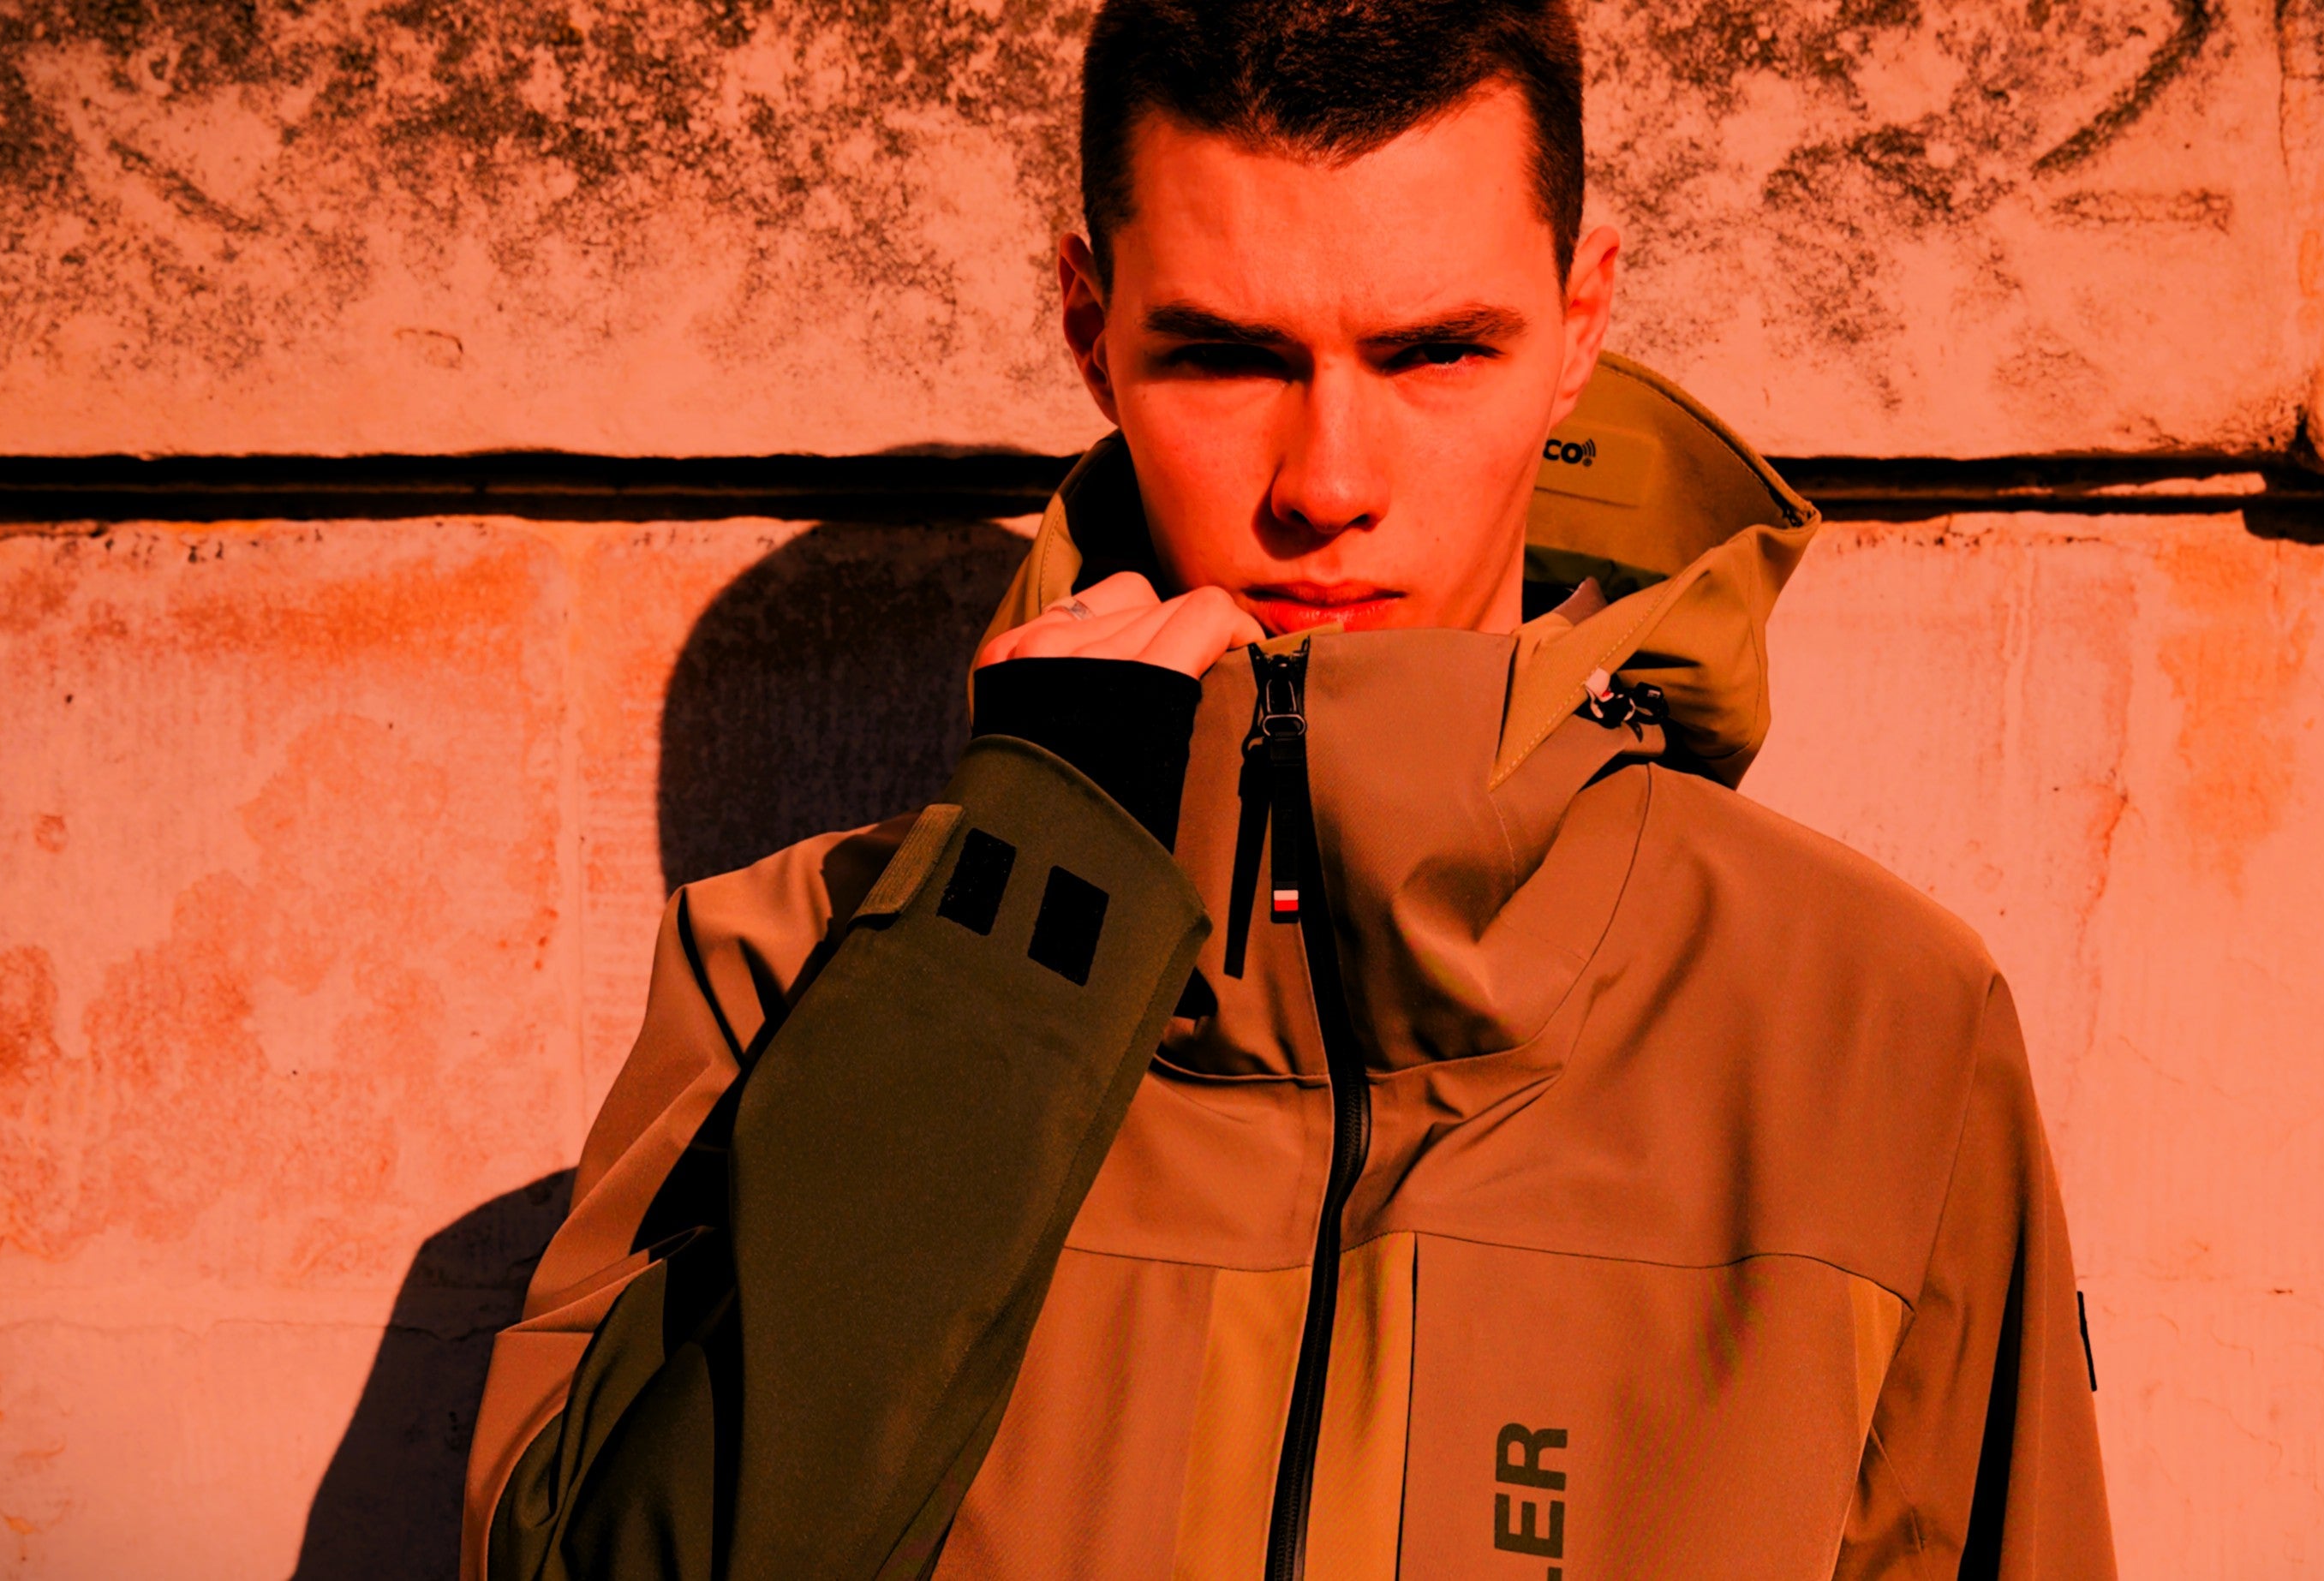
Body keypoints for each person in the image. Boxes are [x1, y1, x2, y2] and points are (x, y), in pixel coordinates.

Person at [461, 1, 2113, 1576]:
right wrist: (1024, 916)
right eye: (1227, 358)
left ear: (1580, 324)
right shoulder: (785, 976)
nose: (1326, 485)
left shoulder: (1872, 1023)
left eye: (1436, 352)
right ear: (1089, 328)